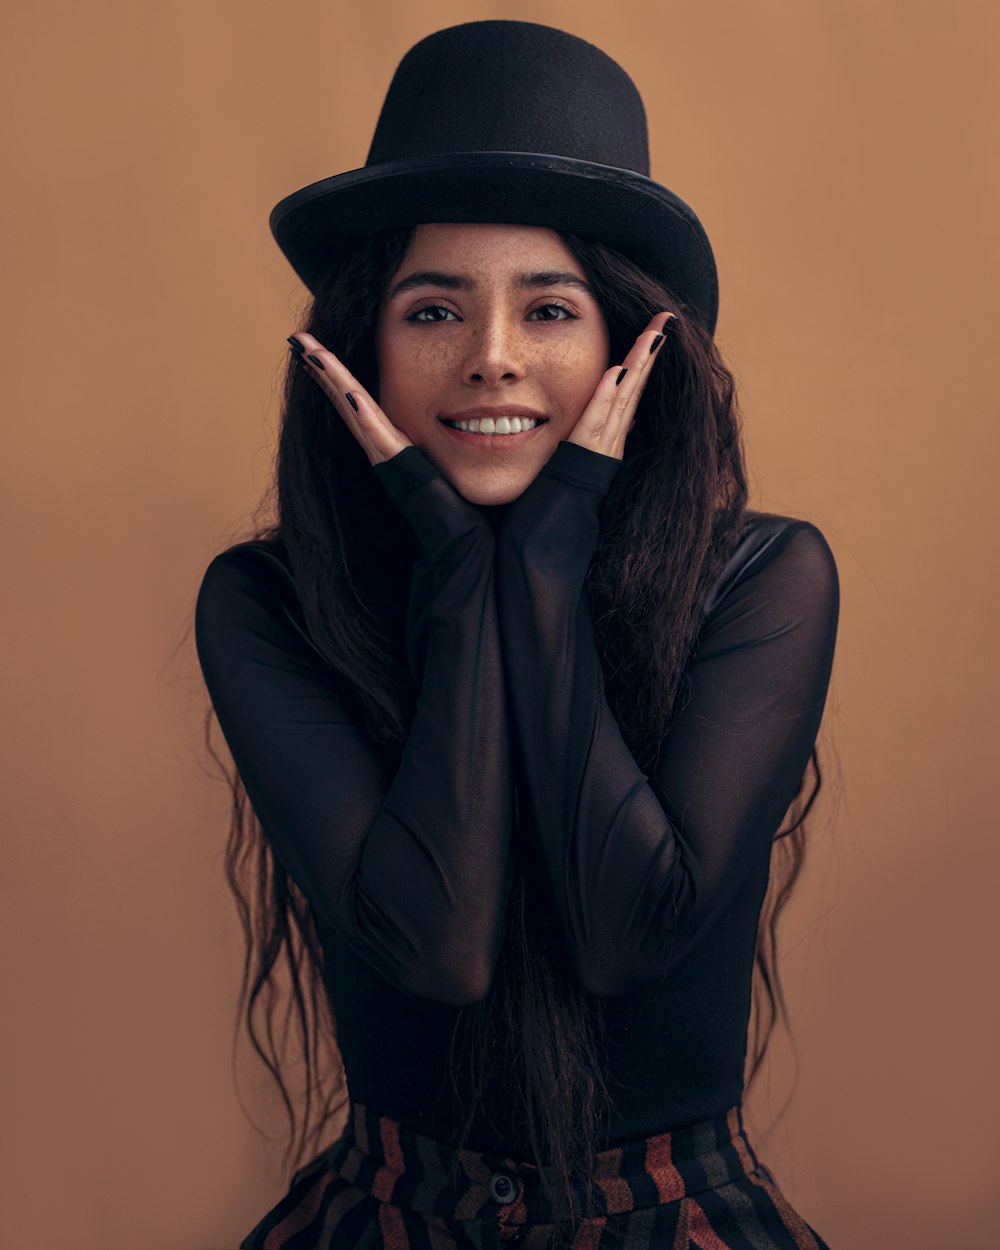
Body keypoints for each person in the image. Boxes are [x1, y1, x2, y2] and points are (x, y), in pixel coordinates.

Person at [194, 20, 839, 1250]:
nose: (491, 358)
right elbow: (435, 944)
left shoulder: (764, 576)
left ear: (627, 341)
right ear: (359, 345)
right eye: (433, 309)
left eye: (549, 307)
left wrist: (539, 558)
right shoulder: (264, 600)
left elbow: (628, 930)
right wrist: (454, 559)